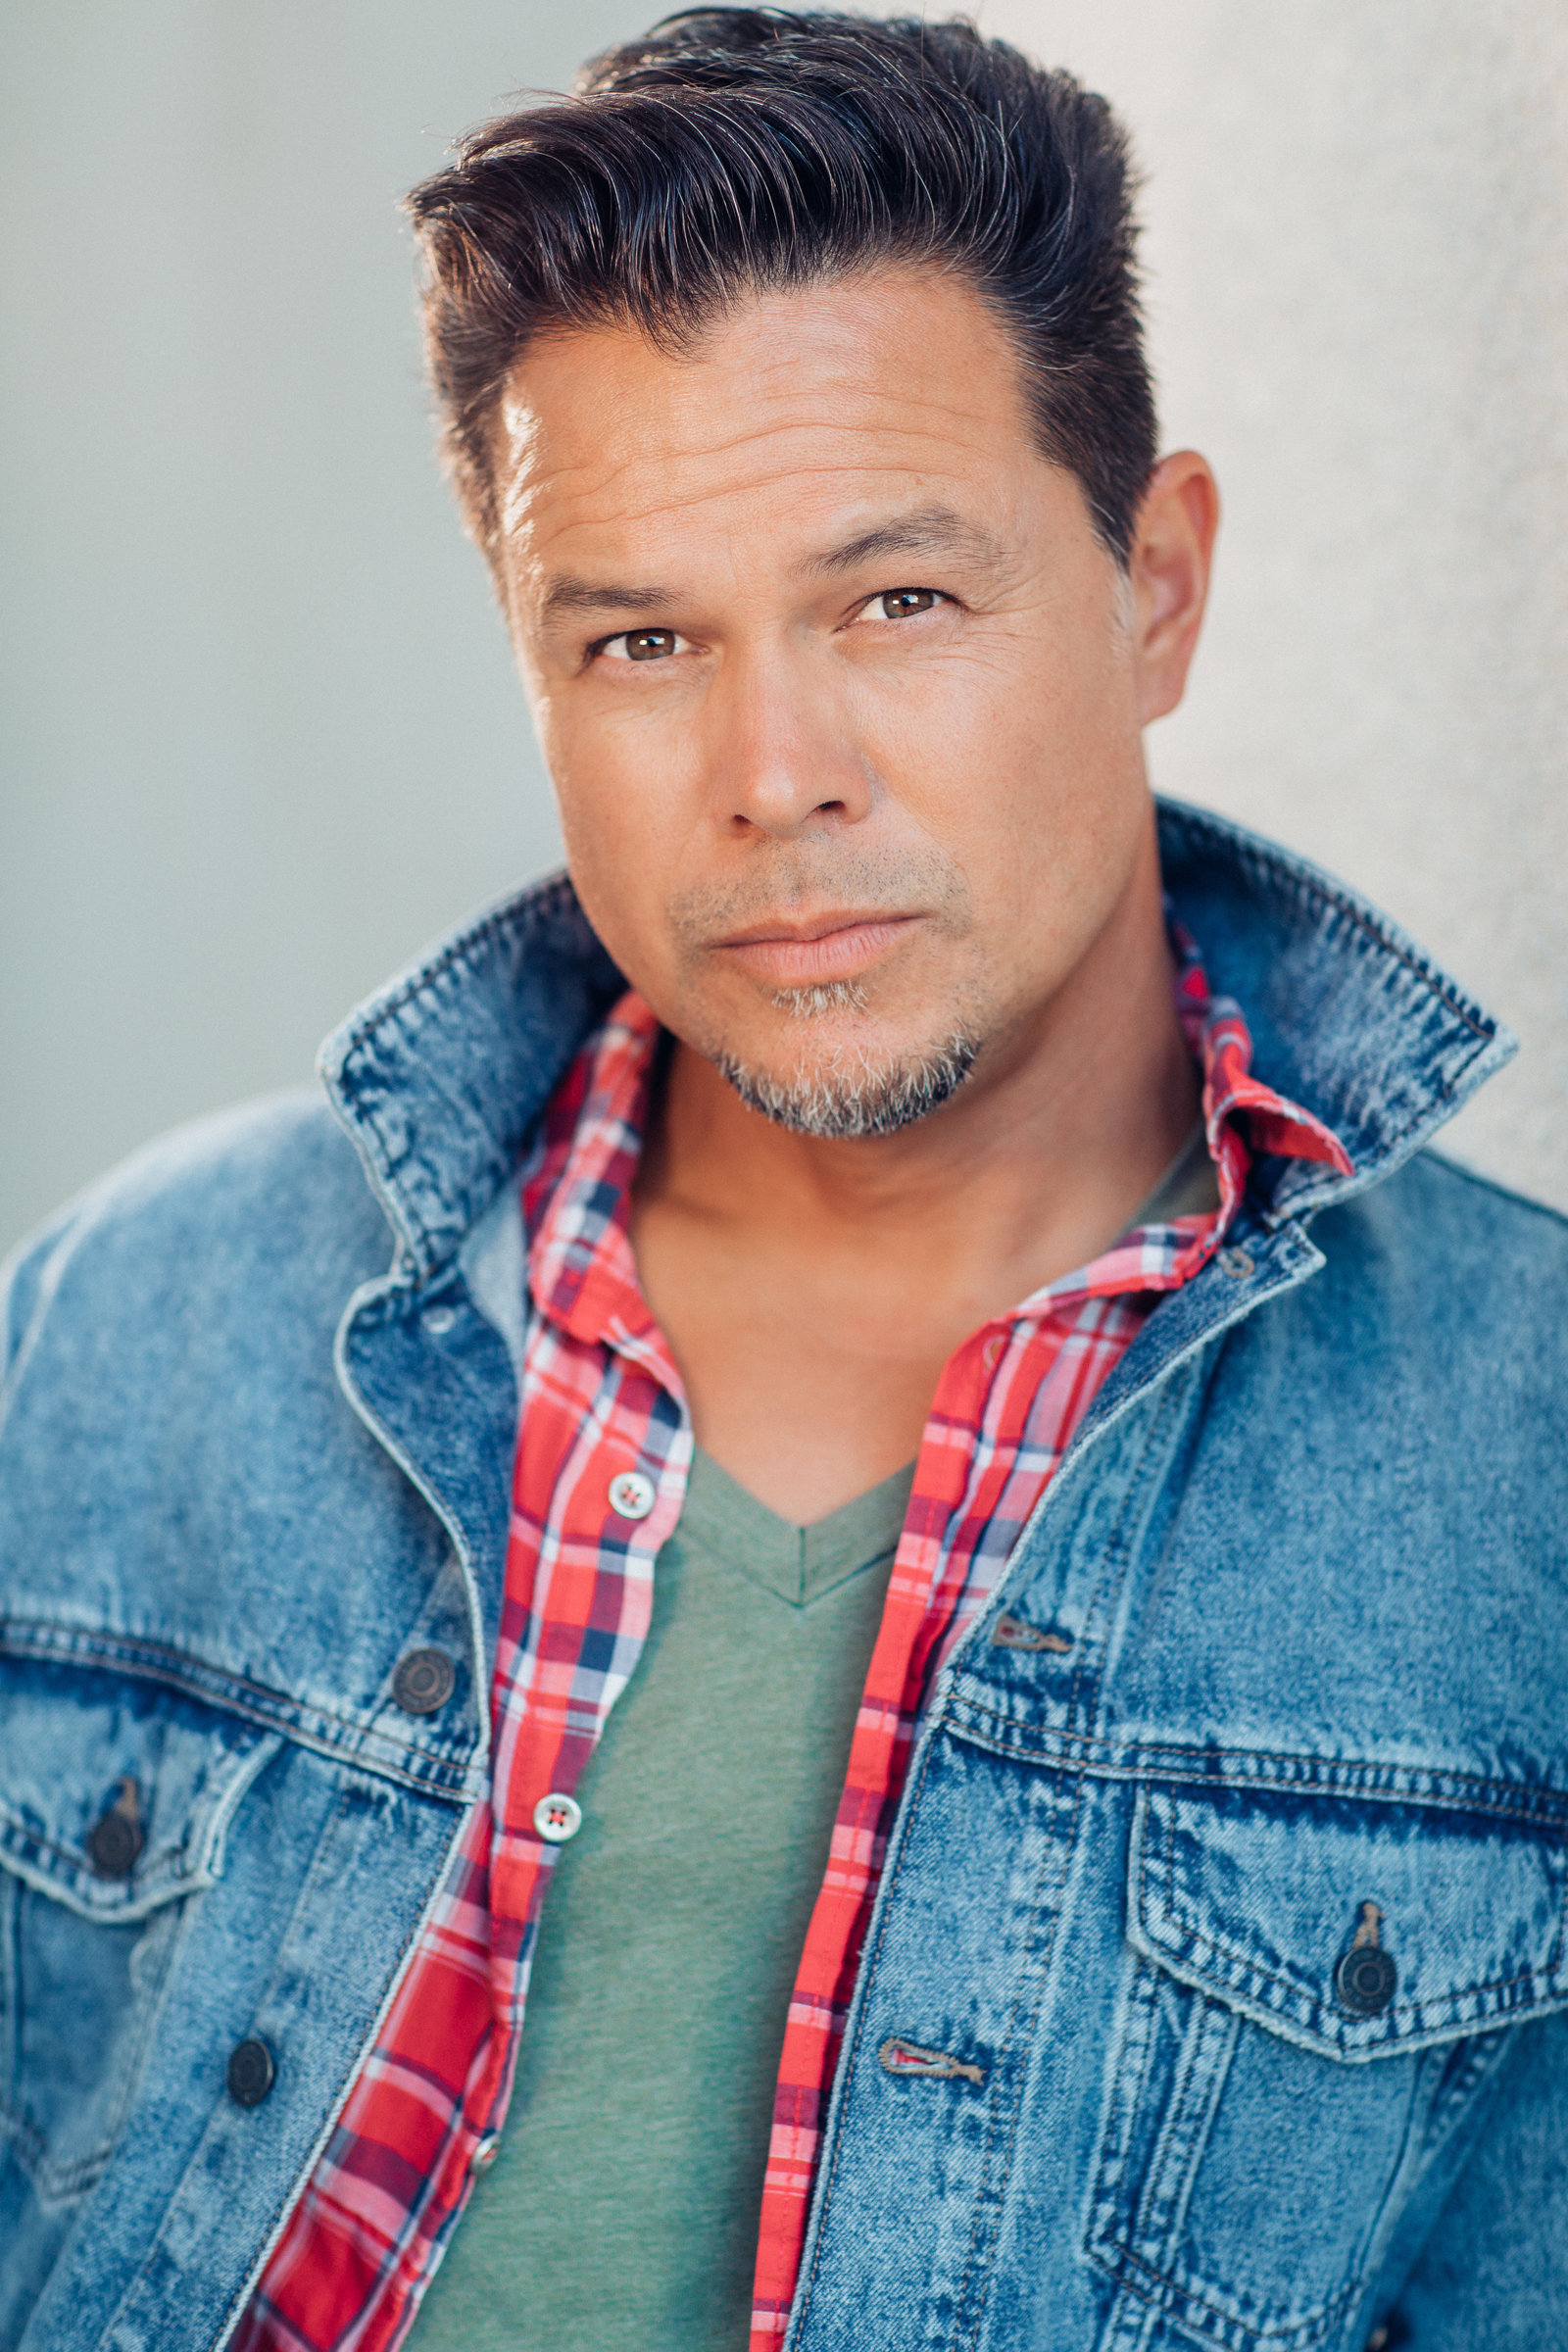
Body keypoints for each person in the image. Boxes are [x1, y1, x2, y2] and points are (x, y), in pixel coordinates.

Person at [2, 10, 1565, 2350]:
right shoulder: (137, 1321)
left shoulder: (1518, 1470)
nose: (768, 771)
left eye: (894, 602)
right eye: (639, 638)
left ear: (1152, 587)